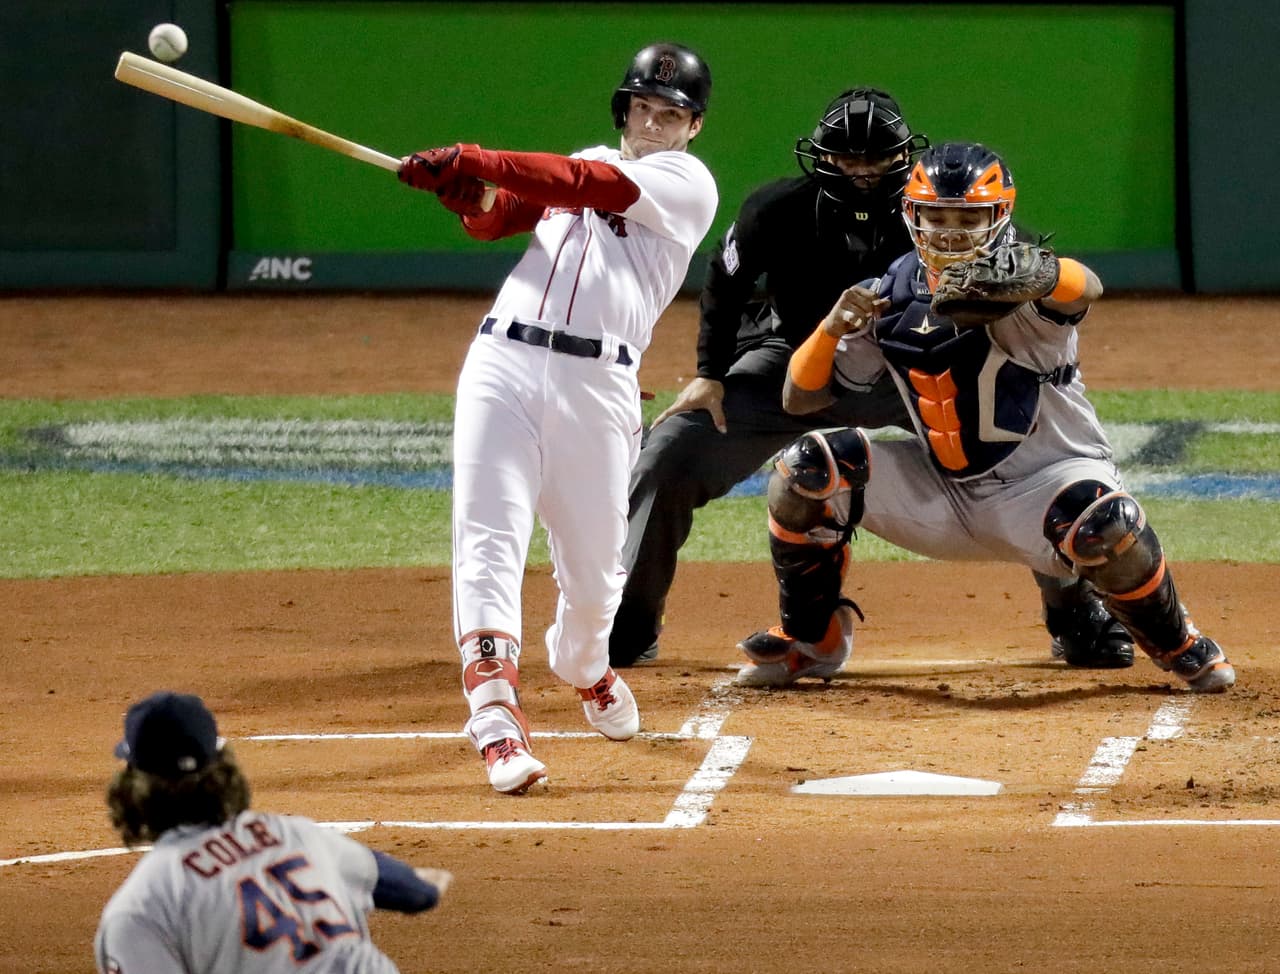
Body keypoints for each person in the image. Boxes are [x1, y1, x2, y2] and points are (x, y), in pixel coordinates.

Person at [607, 89, 1130, 674]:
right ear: (821, 157)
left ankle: (1075, 612)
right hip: (798, 360)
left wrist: (1034, 279)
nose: (861, 171)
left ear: (904, 159)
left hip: (924, 368)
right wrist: (709, 375)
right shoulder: (775, 210)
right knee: (673, 451)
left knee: (1027, 457)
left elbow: (1037, 276)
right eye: (847, 158)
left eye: (876, 159)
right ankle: (628, 624)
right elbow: (726, 284)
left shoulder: (939, 213)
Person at [734, 141, 1235, 694]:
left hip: (1048, 489)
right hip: (941, 493)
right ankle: (813, 640)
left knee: (1105, 525)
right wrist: (830, 329)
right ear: (912, 216)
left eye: (968, 218)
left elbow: (1085, 286)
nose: (950, 233)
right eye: (937, 216)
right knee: (807, 467)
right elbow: (800, 400)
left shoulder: (1028, 290)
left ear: (999, 218)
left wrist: (1042, 271)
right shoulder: (890, 294)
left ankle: (1178, 641)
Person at [396, 43, 717, 794]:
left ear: (692, 126)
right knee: (488, 540)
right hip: (501, 365)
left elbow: (582, 182)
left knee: (597, 573)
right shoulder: (585, 161)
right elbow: (501, 217)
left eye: (669, 114)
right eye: (641, 107)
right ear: (624, 109)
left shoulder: (685, 183)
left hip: (597, 386)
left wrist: (475, 155)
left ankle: (583, 664)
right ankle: (496, 722)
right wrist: (461, 191)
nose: (651, 122)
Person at [95, 691, 452, 974]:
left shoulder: (142, 908)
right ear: (222, 769)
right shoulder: (295, 834)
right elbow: (415, 893)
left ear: (132, 787)